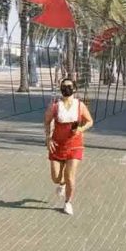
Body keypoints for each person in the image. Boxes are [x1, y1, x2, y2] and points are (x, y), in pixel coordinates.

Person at [44, 78, 93, 215]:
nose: (66, 89)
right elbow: (47, 121)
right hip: (57, 144)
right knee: (56, 177)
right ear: (61, 89)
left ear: (74, 89)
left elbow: (90, 121)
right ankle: (62, 184)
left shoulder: (80, 105)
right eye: (64, 87)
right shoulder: (55, 105)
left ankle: (68, 202)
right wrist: (48, 138)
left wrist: (80, 129)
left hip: (74, 145)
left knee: (70, 176)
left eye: (69, 86)